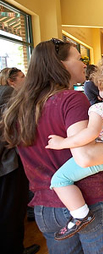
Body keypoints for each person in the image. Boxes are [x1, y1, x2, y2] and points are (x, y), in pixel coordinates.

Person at [1, 38, 103, 253]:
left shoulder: (20, 106)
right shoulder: (72, 100)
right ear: (60, 65)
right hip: (91, 202)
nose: (84, 64)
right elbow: (85, 157)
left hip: (46, 207)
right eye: (78, 58)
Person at [45, 61, 103, 240]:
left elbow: (89, 134)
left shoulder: (99, 109)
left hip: (100, 155)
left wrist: (63, 142)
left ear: (101, 86)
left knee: (59, 180)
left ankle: (80, 214)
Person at [0, 68, 40, 254]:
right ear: (11, 81)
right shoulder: (10, 99)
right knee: (12, 211)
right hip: (8, 165)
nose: (26, 79)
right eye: (22, 76)